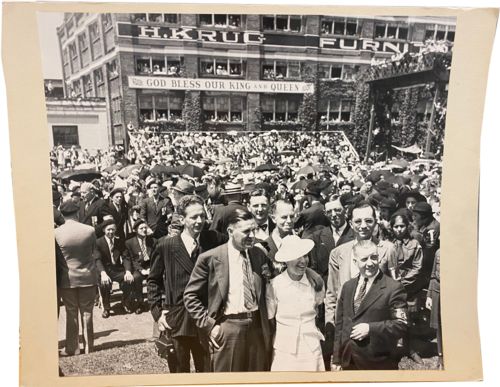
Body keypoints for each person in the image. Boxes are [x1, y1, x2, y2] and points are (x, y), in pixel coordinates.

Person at [183, 208, 272, 372]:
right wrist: (209, 326)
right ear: (230, 231)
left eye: (254, 229)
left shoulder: (259, 255)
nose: (252, 235)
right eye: (246, 231)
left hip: (257, 329)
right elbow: (190, 296)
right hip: (228, 329)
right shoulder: (210, 258)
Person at [148, 195, 227, 373]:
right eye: (193, 217)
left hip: (206, 319)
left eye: (202, 216)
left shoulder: (214, 240)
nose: (199, 221)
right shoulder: (166, 246)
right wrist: (158, 314)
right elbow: (153, 280)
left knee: (207, 372)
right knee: (179, 373)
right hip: (177, 321)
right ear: (182, 219)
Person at [331, 240, 408, 370]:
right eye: (364, 259)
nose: (370, 263)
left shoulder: (393, 287)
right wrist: (337, 358)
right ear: (355, 262)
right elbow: (340, 324)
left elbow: (401, 324)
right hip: (348, 360)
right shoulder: (348, 287)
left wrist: (371, 329)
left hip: (378, 362)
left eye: (374, 257)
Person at [266, 235, 325, 371]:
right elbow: (270, 319)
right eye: (296, 257)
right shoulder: (274, 285)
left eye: (305, 256)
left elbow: (318, 312)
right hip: (284, 350)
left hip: (311, 348)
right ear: (286, 261)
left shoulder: (316, 283)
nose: (302, 261)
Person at [55, 200, 98, 355]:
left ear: (61, 213)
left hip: (67, 278)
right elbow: (93, 251)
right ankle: (89, 347)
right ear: (77, 212)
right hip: (88, 276)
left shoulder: (56, 233)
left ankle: (72, 348)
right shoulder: (89, 230)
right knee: (87, 312)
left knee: (71, 312)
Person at [390, 213, 425, 365]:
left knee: (408, 318)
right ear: (391, 227)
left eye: (401, 226)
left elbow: (417, 267)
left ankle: (410, 349)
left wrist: (402, 282)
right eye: (395, 226)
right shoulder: (387, 244)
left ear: (407, 226)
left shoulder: (414, 244)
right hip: (390, 287)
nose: (399, 229)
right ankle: (393, 348)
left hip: (409, 287)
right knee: (392, 317)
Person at [95, 219, 140, 318]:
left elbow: (125, 257)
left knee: (129, 279)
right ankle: (106, 307)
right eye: (108, 230)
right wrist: (103, 273)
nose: (111, 232)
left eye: (113, 230)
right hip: (104, 270)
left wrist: (128, 271)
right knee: (104, 283)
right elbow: (97, 259)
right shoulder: (98, 242)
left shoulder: (119, 241)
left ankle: (125, 301)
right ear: (103, 230)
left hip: (116, 269)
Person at [123, 219, 157, 314]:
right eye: (141, 228)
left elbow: (156, 257)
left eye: (145, 228)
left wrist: (152, 268)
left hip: (151, 266)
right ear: (136, 230)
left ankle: (155, 302)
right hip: (138, 267)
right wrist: (141, 270)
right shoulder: (129, 243)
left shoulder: (153, 241)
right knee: (136, 278)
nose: (144, 230)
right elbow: (131, 259)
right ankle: (140, 303)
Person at [426, 249, 443, 370]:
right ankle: (441, 356)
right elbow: (433, 275)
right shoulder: (438, 252)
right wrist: (429, 296)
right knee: (440, 326)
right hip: (438, 292)